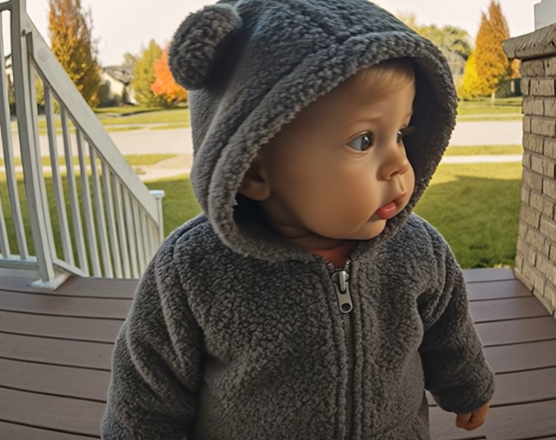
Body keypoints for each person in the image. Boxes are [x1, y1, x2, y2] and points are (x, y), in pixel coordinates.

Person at [101, 0, 495, 438]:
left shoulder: (418, 250)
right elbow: (147, 389)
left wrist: (468, 386)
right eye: (363, 141)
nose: (398, 165)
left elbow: (448, 332)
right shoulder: (194, 268)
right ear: (252, 170)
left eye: (401, 133)